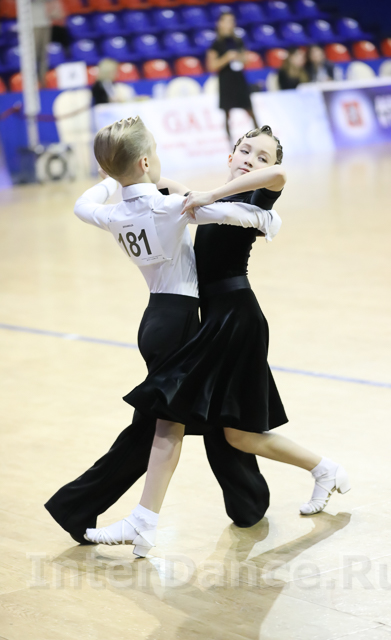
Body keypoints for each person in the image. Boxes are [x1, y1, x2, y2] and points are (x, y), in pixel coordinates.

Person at [85, 125, 351, 552]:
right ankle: (325, 468)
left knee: (176, 413)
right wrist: (123, 173)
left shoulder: (258, 197)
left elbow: (279, 176)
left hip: (237, 319)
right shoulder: (210, 199)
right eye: (245, 150)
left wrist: (213, 194)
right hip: (217, 320)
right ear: (230, 156)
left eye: (262, 156)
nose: (252, 159)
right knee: (238, 435)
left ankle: (144, 520)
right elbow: (159, 186)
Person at [45, 116, 283, 555]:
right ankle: (99, 511)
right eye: (153, 150)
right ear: (144, 160)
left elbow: (83, 204)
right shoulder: (169, 208)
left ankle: (247, 501)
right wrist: (267, 220)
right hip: (180, 323)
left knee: (206, 415)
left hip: (155, 319)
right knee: (158, 429)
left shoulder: (113, 212)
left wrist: (111, 177)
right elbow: (232, 214)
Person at [207, 11, 259, 142]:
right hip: (226, 81)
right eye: (227, 21)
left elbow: (246, 59)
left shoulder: (238, 41)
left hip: (239, 78)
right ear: (220, 23)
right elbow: (212, 66)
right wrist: (227, 58)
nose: (230, 24)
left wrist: (239, 57)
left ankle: (260, 139)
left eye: (232, 21)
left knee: (250, 111)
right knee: (227, 114)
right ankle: (230, 144)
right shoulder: (216, 44)